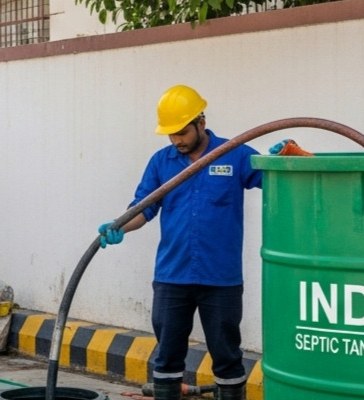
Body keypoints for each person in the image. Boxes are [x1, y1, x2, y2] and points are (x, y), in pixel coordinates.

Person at [97, 84, 262, 400]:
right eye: (170, 135)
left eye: (182, 132)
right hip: (172, 277)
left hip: (221, 278)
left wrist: (282, 159)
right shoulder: (162, 162)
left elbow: (276, 182)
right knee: (167, 357)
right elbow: (143, 209)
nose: (177, 141)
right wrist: (120, 226)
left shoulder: (236, 154)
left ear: (201, 122)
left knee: (227, 357)